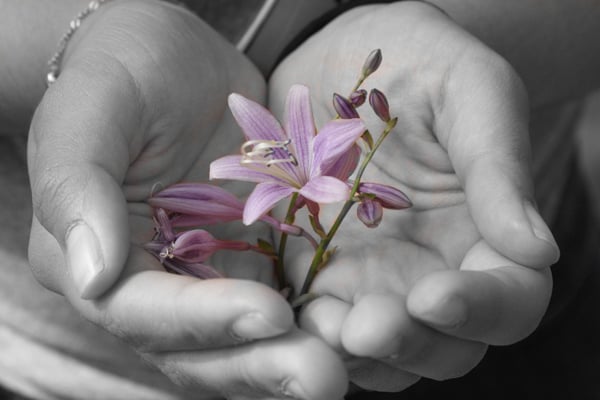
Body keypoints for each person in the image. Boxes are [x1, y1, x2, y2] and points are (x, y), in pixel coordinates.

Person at [0, 1, 598, 399]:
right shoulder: (280, 180)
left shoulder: (313, 176)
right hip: (68, 369)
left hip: (474, 250)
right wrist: (90, 42)